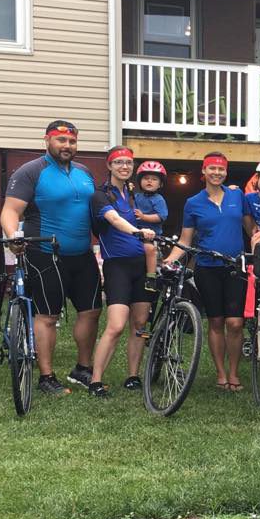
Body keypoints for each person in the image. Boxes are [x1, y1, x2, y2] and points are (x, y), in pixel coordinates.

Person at [0, 120, 102, 395]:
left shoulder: (84, 172)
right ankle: (46, 376)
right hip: (44, 254)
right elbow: (10, 211)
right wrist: (13, 235)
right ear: (47, 140)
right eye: (61, 140)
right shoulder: (32, 171)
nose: (67, 146)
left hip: (82, 254)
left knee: (91, 312)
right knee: (47, 315)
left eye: (72, 141)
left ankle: (82, 368)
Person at [164, 152, 251, 391]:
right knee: (216, 321)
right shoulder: (193, 203)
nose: (216, 173)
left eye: (221, 169)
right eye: (211, 168)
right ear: (203, 172)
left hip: (235, 267)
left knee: (235, 323)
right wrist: (169, 260)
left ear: (226, 172)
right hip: (207, 268)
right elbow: (186, 238)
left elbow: (251, 228)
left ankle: (234, 372)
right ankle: (220, 373)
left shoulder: (237, 195)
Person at [88, 147, 157, 396]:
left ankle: (133, 376)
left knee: (139, 324)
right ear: (109, 166)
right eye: (118, 163)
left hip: (140, 265)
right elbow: (114, 220)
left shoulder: (131, 193)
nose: (124, 167)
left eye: (128, 163)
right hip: (117, 265)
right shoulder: (100, 195)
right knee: (116, 325)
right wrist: (137, 232)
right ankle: (95, 380)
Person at [133, 160, 168, 287]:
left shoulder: (158, 199)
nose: (149, 181)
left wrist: (143, 217)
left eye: (154, 179)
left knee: (150, 249)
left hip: (152, 236)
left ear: (160, 184)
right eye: (146, 178)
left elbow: (161, 216)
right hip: (136, 233)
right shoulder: (136, 196)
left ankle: (151, 277)